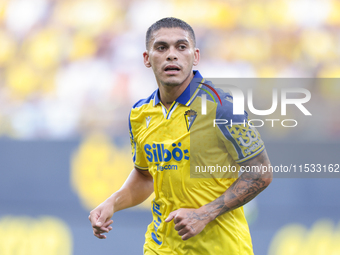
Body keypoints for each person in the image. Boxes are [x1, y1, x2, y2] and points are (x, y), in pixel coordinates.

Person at [89, 17, 273, 255]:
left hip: (221, 249)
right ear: (147, 58)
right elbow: (146, 176)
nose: (172, 55)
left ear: (195, 56)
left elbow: (261, 173)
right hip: (161, 247)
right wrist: (112, 203)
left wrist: (204, 214)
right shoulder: (140, 114)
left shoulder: (222, 107)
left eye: (181, 47)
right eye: (162, 47)